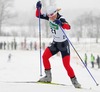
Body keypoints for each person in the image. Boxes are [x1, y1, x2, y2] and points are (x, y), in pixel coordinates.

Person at [35, 1, 81, 88]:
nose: (50, 18)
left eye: (52, 16)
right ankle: (48, 77)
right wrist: (38, 9)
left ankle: (75, 81)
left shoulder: (61, 18)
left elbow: (68, 26)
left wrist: (61, 24)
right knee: (44, 56)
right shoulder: (49, 17)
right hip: (55, 43)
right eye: (49, 16)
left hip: (63, 44)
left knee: (66, 65)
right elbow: (38, 15)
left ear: (55, 13)